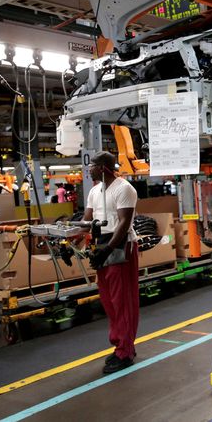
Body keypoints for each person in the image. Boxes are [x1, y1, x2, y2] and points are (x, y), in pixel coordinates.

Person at [83, 151, 140, 374]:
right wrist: (65, 237)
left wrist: (107, 250)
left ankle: (126, 351)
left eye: (94, 165)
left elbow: (124, 223)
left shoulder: (124, 188)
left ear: (105, 167)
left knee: (122, 300)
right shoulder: (95, 191)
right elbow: (87, 221)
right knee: (108, 300)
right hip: (101, 246)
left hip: (119, 246)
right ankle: (119, 345)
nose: (90, 169)